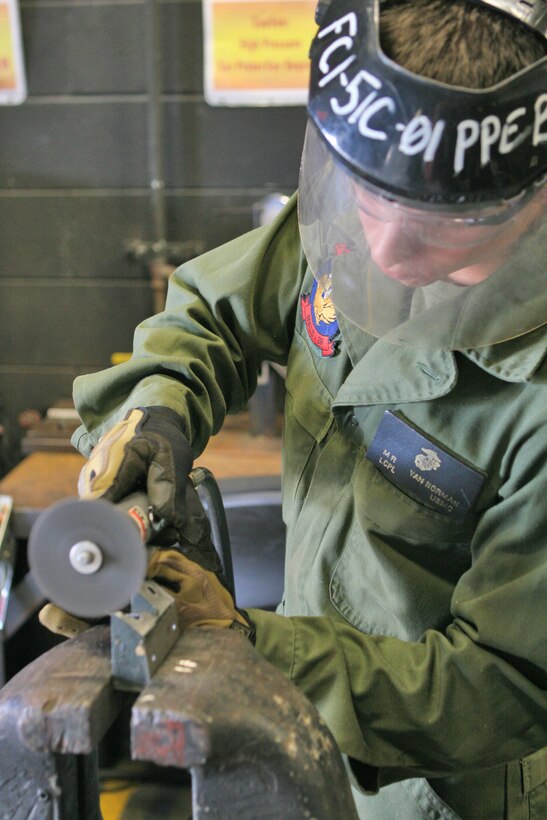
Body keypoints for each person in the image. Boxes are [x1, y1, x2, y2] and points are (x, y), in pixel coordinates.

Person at [41, 0, 546, 816]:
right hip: (299, 723)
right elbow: (210, 313)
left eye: (439, 226)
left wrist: (247, 645)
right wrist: (157, 415)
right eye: (366, 197)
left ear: (529, 200)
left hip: (442, 784)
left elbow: (505, 684)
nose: (381, 253)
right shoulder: (363, 215)